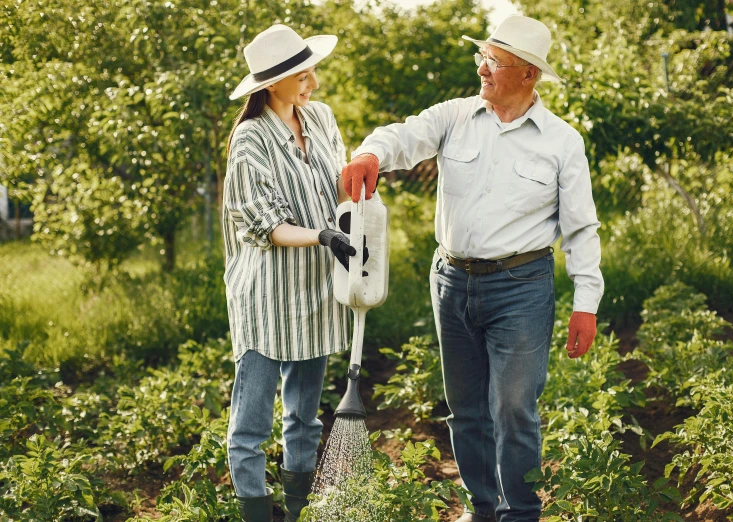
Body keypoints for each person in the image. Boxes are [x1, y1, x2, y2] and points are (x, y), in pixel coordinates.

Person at [341, 14, 604, 522]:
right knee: (465, 409)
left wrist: (585, 304)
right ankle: (481, 507)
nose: (482, 68)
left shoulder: (561, 141)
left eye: (495, 61)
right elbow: (404, 135)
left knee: (512, 409)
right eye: (482, 56)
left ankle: (520, 512)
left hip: (521, 286)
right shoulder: (455, 116)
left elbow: (581, 230)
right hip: (452, 281)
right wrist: (371, 153)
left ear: (528, 74)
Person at [223, 24, 356, 522]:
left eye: (311, 71)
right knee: (251, 424)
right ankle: (256, 514)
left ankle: (299, 510)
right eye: (303, 75)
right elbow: (264, 225)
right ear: (272, 82)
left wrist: (359, 196)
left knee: (304, 417)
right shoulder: (249, 140)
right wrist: (322, 236)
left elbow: (338, 189)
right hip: (267, 298)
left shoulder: (320, 119)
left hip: (317, 293)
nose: (313, 84)